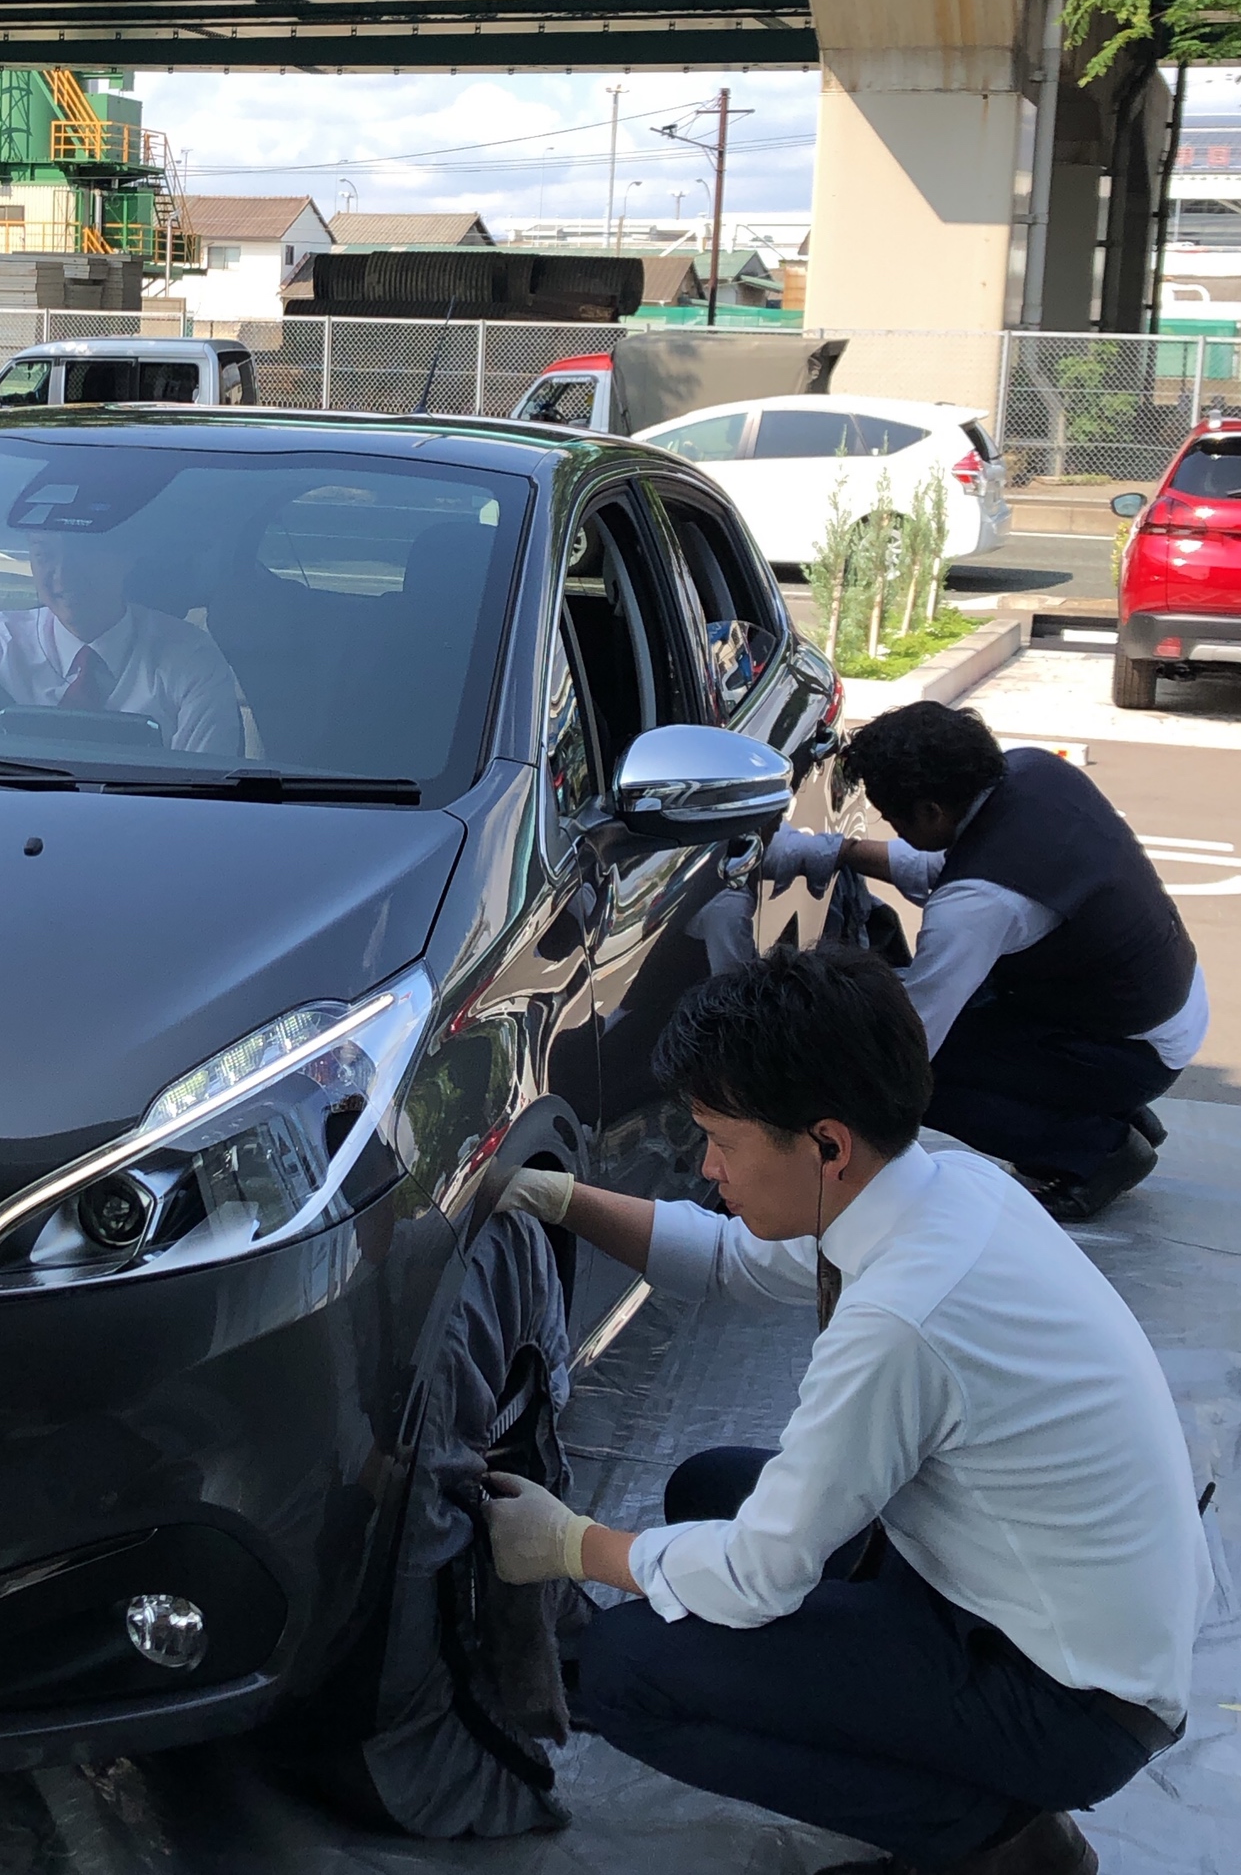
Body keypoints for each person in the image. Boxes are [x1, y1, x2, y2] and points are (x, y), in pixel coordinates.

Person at [481, 946, 1211, 1875]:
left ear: (825, 1142)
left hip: (1067, 1698)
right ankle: (949, 1769)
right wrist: (559, 1198)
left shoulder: (906, 1311)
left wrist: (564, 1542)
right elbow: (730, 1259)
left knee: (630, 1673)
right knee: (708, 1488)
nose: (707, 1166)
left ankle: (998, 1842)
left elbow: (757, 1575)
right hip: (1037, 1597)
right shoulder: (943, 1185)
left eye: (722, 1139)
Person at [763, 701, 1205, 1218]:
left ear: (930, 811)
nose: (889, 825)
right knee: (958, 1019)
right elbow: (945, 863)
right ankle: (1102, 1109)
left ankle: (1095, 1148)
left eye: (894, 816)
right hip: (1152, 1002)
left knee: (911, 1078)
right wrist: (830, 852)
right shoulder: (1033, 770)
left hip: (1129, 1046)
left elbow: (914, 1035)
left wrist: (788, 1094)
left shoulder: (978, 904)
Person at [0, 525, 244, 753]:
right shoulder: (0, 641)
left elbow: (206, 795)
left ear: (127, 556)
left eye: (83, 551)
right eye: (44, 555)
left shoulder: (190, 659)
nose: (63, 575)